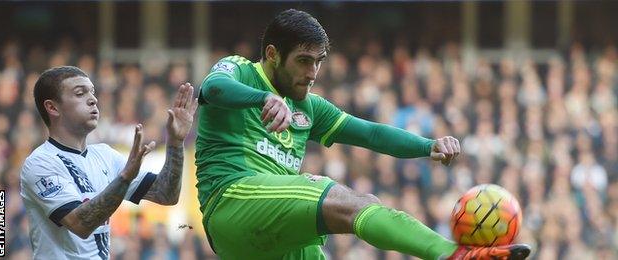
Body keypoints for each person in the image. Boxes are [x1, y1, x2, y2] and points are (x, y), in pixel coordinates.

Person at [195, 9, 531, 260]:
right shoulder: (240, 71)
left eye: (319, 61)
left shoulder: (310, 108)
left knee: (326, 239)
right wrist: (263, 97)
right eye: (303, 61)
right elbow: (212, 88)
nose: (312, 73)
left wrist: (429, 146)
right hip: (231, 203)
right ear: (272, 54)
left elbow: (370, 134)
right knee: (353, 203)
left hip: (267, 236)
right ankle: (452, 254)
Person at [20, 66, 198, 259]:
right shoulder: (41, 163)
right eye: (80, 93)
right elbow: (80, 224)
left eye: (92, 92)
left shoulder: (106, 155)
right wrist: (123, 179)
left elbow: (166, 194)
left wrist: (175, 142)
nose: (93, 99)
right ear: (52, 107)